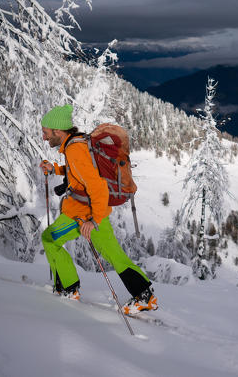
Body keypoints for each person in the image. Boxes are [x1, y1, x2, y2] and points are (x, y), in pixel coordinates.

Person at [39, 104, 157, 314]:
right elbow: (79, 172)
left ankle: (69, 288)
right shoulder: (78, 143)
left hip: (81, 214)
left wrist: (92, 221)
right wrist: (55, 169)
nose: (44, 137)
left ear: (58, 130)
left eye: (46, 132)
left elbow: (97, 186)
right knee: (114, 254)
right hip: (96, 213)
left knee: (50, 240)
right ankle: (144, 296)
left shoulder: (74, 149)